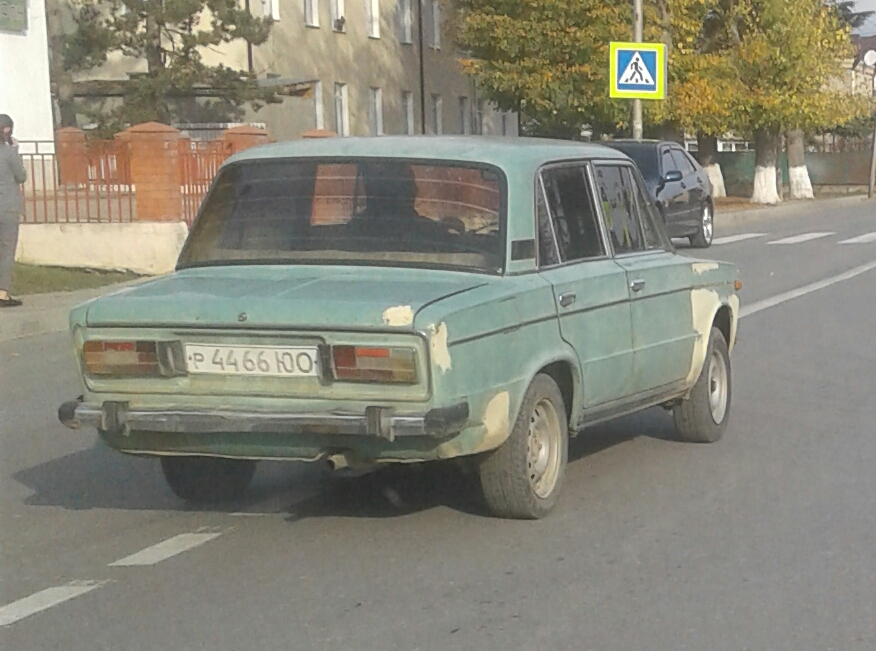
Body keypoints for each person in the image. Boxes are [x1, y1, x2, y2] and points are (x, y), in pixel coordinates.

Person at [0, 114, 26, 307]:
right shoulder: (8, 152)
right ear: (7, 130)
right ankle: (2, 293)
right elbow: (21, 176)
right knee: (7, 250)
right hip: (7, 207)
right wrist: (16, 150)